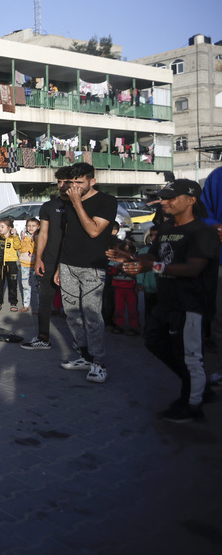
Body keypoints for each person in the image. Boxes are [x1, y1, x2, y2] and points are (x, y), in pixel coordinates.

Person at [112, 179, 220, 422]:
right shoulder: (167, 228)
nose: (164, 202)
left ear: (191, 200)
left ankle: (192, 407)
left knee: (191, 356)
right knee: (154, 342)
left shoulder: (202, 233)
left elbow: (193, 269)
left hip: (193, 305)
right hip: (167, 302)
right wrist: (129, 257)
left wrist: (153, 265)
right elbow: (151, 255)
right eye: (163, 197)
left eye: (171, 198)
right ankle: (198, 388)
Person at [56, 162, 117, 384]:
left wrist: (77, 203)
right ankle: (85, 355)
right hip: (68, 265)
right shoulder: (69, 202)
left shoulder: (106, 201)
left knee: (92, 316)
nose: (74, 187)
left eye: (79, 183)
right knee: (71, 314)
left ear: (92, 181)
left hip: (93, 266)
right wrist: (58, 266)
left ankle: (99, 362)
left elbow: (93, 230)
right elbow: (68, 234)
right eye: (71, 183)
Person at [22, 166, 74, 351]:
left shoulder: (80, 205)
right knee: (44, 300)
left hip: (72, 261)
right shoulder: (49, 206)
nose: (61, 185)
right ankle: (43, 337)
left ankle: (80, 343)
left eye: (65, 182)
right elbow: (42, 234)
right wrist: (39, 259)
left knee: (73, 303)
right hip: (49, 260)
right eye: (58, 182)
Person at [108, 240, 140, 335]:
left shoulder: (134, 260)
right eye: (124, 251)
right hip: (118, 286)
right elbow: (110, 271)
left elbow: (137, 273)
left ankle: (134, 326)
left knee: (132, 308)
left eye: (128, 251)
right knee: (119, 308)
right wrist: (117, 268)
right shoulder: (115, 260)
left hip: (131, 287)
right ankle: (119, 325)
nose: (125, 254)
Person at [0, 219, 21, 312]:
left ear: (9, 228)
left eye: (2, 227)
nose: (0, 229)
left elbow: (17, 246)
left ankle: (13, 302)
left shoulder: (14, 237)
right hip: (0, 264)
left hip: (11, 264)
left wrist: (16, 235)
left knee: (12, 284)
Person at [136, 227, 159, 327]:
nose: (152, 238)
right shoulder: (144, 251)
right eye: (151, 235)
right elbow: (140, 269)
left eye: (156, 235)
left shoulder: (165, 251)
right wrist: (139, 283)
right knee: (149, 311)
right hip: (149, 287)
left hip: (161, 288)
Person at [18, 218, 40, 313]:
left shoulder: (39, 237)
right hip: (24, 264)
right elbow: (21, 250)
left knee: (38, 286)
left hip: (35, 265)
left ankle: (40, 307)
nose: (31, 228)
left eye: (33, 226)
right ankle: (26, 305)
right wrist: (23, 240)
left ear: (38, 226)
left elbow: (37, 250)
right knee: (26, 285)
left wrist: (33, 240)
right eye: (29, 226)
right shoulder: (24, 237)